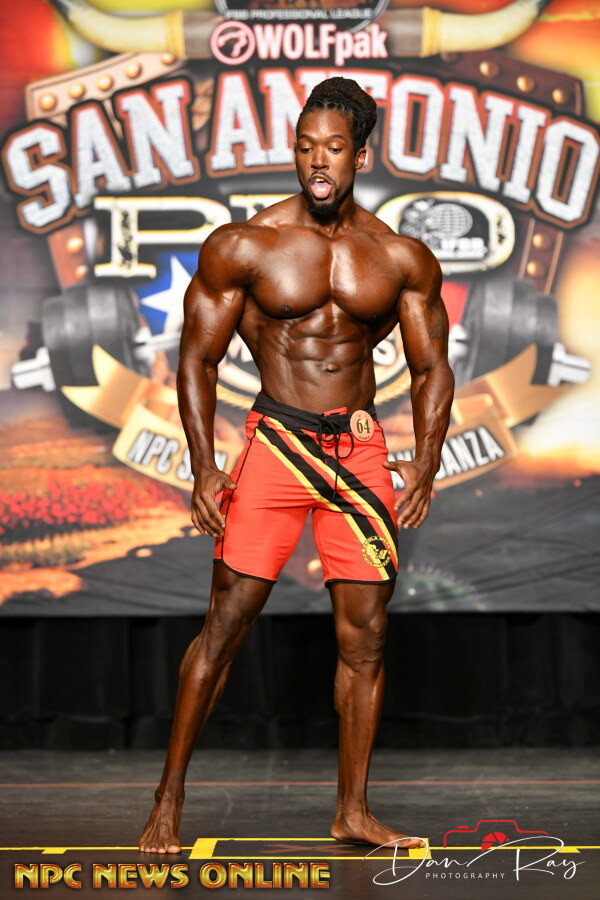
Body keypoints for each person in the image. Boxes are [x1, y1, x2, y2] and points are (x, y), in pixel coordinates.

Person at [139, 77, 454, 854]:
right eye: (306, 146)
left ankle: (353, 811)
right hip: (278, 445)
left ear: (360, 156)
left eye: (334, 149)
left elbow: (430, 368)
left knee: (366, 638)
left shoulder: (399, 256)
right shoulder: (245, 246)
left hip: (357, 454)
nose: (318, 161)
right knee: (226, 623)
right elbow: (197, 359)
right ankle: (168, 800)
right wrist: (204, 465)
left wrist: (426, 459)